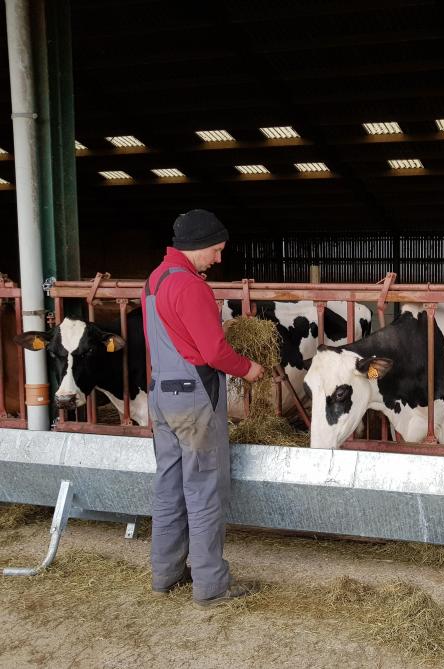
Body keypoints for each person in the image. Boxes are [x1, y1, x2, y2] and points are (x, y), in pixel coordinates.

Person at [143, 209, 264, 608]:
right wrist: (248, 368)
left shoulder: (154, 281)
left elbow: (180, 337)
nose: (218, 258)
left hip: (160, 395)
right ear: (196, 247)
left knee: (169, 487)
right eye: (215, 250)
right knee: (205, 489)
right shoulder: (192, 287)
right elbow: (212, 352)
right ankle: (211, 584)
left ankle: (165, 573)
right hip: (193, 401)